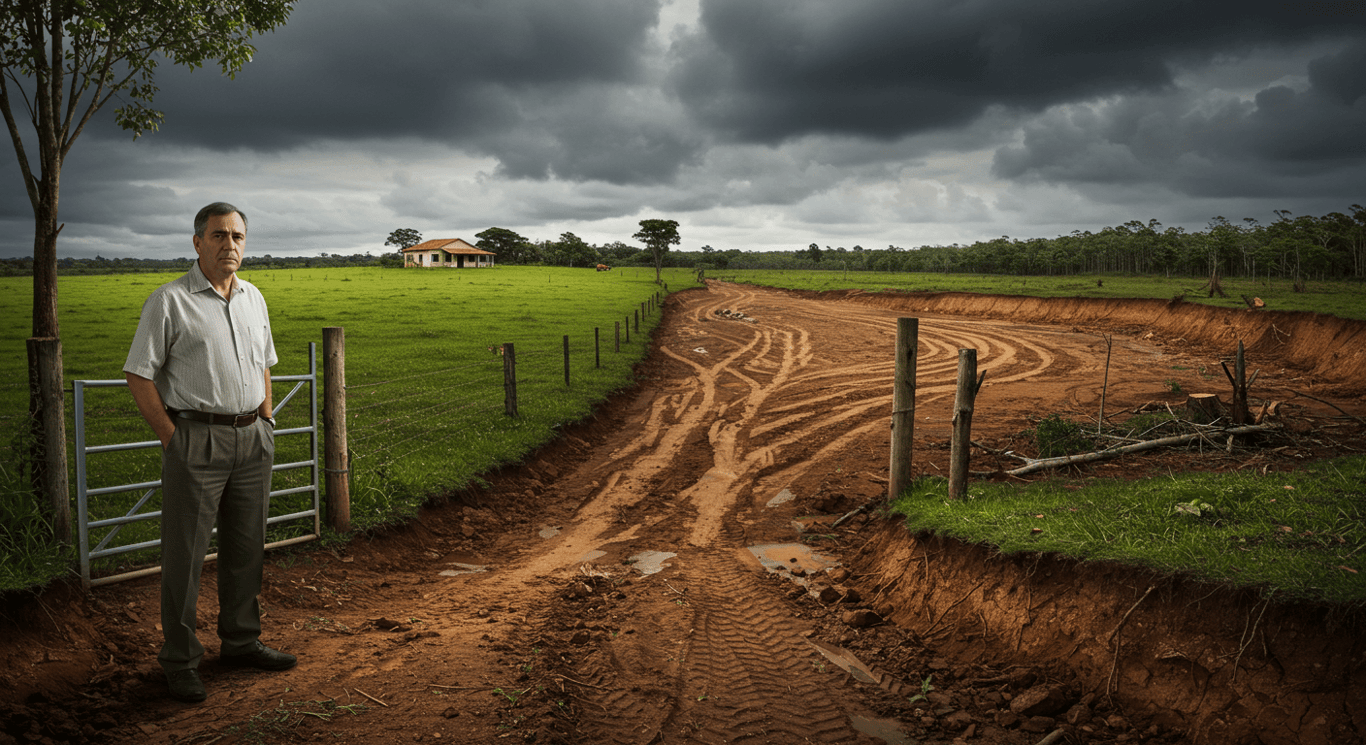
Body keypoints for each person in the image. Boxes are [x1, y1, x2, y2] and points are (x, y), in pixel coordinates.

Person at [124, 202, 296, 703]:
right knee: (185, 555)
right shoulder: (169, 301)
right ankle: (180, 660)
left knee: (247, 547)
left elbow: (264, 362)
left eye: (237, 236)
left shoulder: (253, 297)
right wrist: (172, 437)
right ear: (198, 242)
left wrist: (265, 417)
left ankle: (241, 642)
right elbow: (138, 373)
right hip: (196, 439)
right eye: (219, 235)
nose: (230, 244)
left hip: (252, 437)